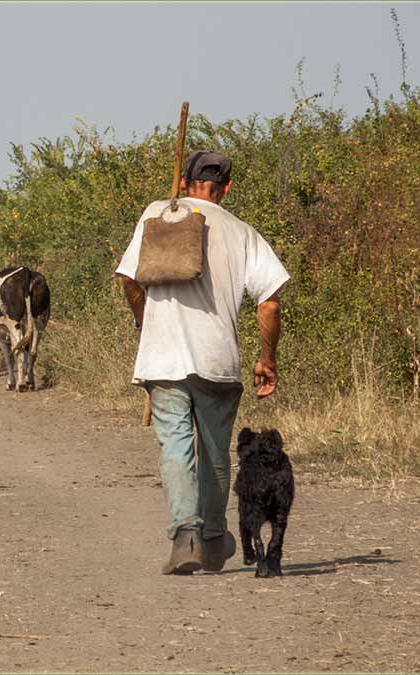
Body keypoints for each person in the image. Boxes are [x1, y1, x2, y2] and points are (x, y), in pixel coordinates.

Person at [114, 150, 289, 575]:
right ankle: (212, 538)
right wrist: (267, 359)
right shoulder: (242, 232)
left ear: (183, 183)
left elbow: (129, 280)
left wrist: (143, 321)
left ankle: (184, 537)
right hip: (218, 361)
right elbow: (269, 304)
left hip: (163, 358)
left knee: (176, 447)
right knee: (214, 454)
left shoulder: (157, 215)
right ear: (226, 188)